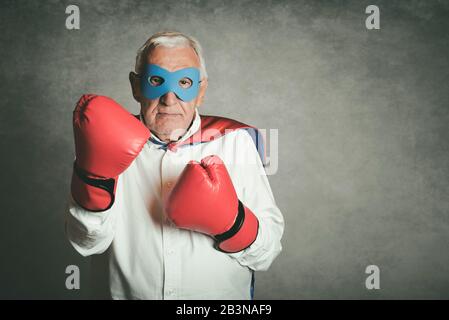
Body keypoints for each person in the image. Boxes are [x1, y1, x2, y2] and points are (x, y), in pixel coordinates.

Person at [65, 31, 284, 300]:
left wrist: (233, 224)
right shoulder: (105, 143)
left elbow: (267, 253)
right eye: (156, 81)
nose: (170, 98)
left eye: (184, 82)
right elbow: (86, 244)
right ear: (136, 86)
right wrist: (94, 182)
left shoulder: (236, 142)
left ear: (201, 91)